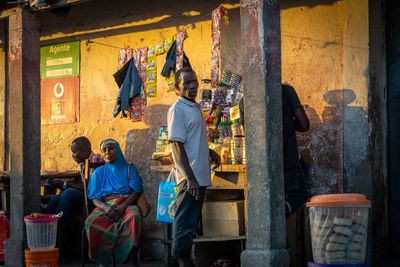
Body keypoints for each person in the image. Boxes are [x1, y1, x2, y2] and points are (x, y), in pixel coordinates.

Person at [167, 67, 221, 267]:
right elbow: (176, 144)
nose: (192, 86)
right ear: (177, 87)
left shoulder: (194, 107)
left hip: (199, 176)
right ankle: (181, 260)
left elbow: (192, 138)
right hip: (190, 179)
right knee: (184, 224)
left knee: (190, 224)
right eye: (186, 83)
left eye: (194, 82)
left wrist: (208, 152)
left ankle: (184, 259)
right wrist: (190, 179)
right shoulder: (177, 109)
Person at [85, 138, 143, 265]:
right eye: (104, 150)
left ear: (118, 150)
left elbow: (136, 191)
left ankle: (130, 260)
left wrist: (122, 208)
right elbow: (94, 198)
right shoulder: (98, 172)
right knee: (92, 222)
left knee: (134, 218)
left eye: (111, 148)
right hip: (106, 204)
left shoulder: (130, 169)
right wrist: (106, 208)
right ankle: (103, 262)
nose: (107, 152)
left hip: (127, 203)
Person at [281, 84, 310, 218]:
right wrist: (289, 123)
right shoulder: (286, 90)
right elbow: (304, 125)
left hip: (260, 164)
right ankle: (285, 209)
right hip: (288, 159)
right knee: (300, 194)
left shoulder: (244, 98)